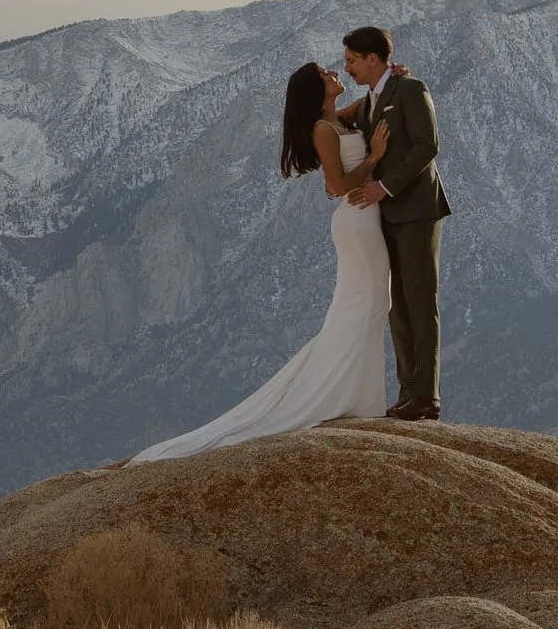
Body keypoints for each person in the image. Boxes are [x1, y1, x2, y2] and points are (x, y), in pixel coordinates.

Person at [127, 59, 393, 460]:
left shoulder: (335, 119)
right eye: (325, 74)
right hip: (356, 220)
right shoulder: (324, 129)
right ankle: (346, 401)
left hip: (364, 220)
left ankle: (359, 400)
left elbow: (370, 101)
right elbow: (336, 185)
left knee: (370, 307)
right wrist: (374, 158)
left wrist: (391, 75)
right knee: (367, 307)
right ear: (314, 88)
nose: (335, 73)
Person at [337, 25, 450, 420]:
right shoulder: (369, 100)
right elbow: (330, 123)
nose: (347, 67)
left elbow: (427, 145)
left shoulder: (411, 89)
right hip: (384, 215)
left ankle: (426, 395)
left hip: (417, 210)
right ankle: (409, 392)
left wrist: (383, 187)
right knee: (395, 304)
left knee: (420, 301)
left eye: (351, 59)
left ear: (373, 58)